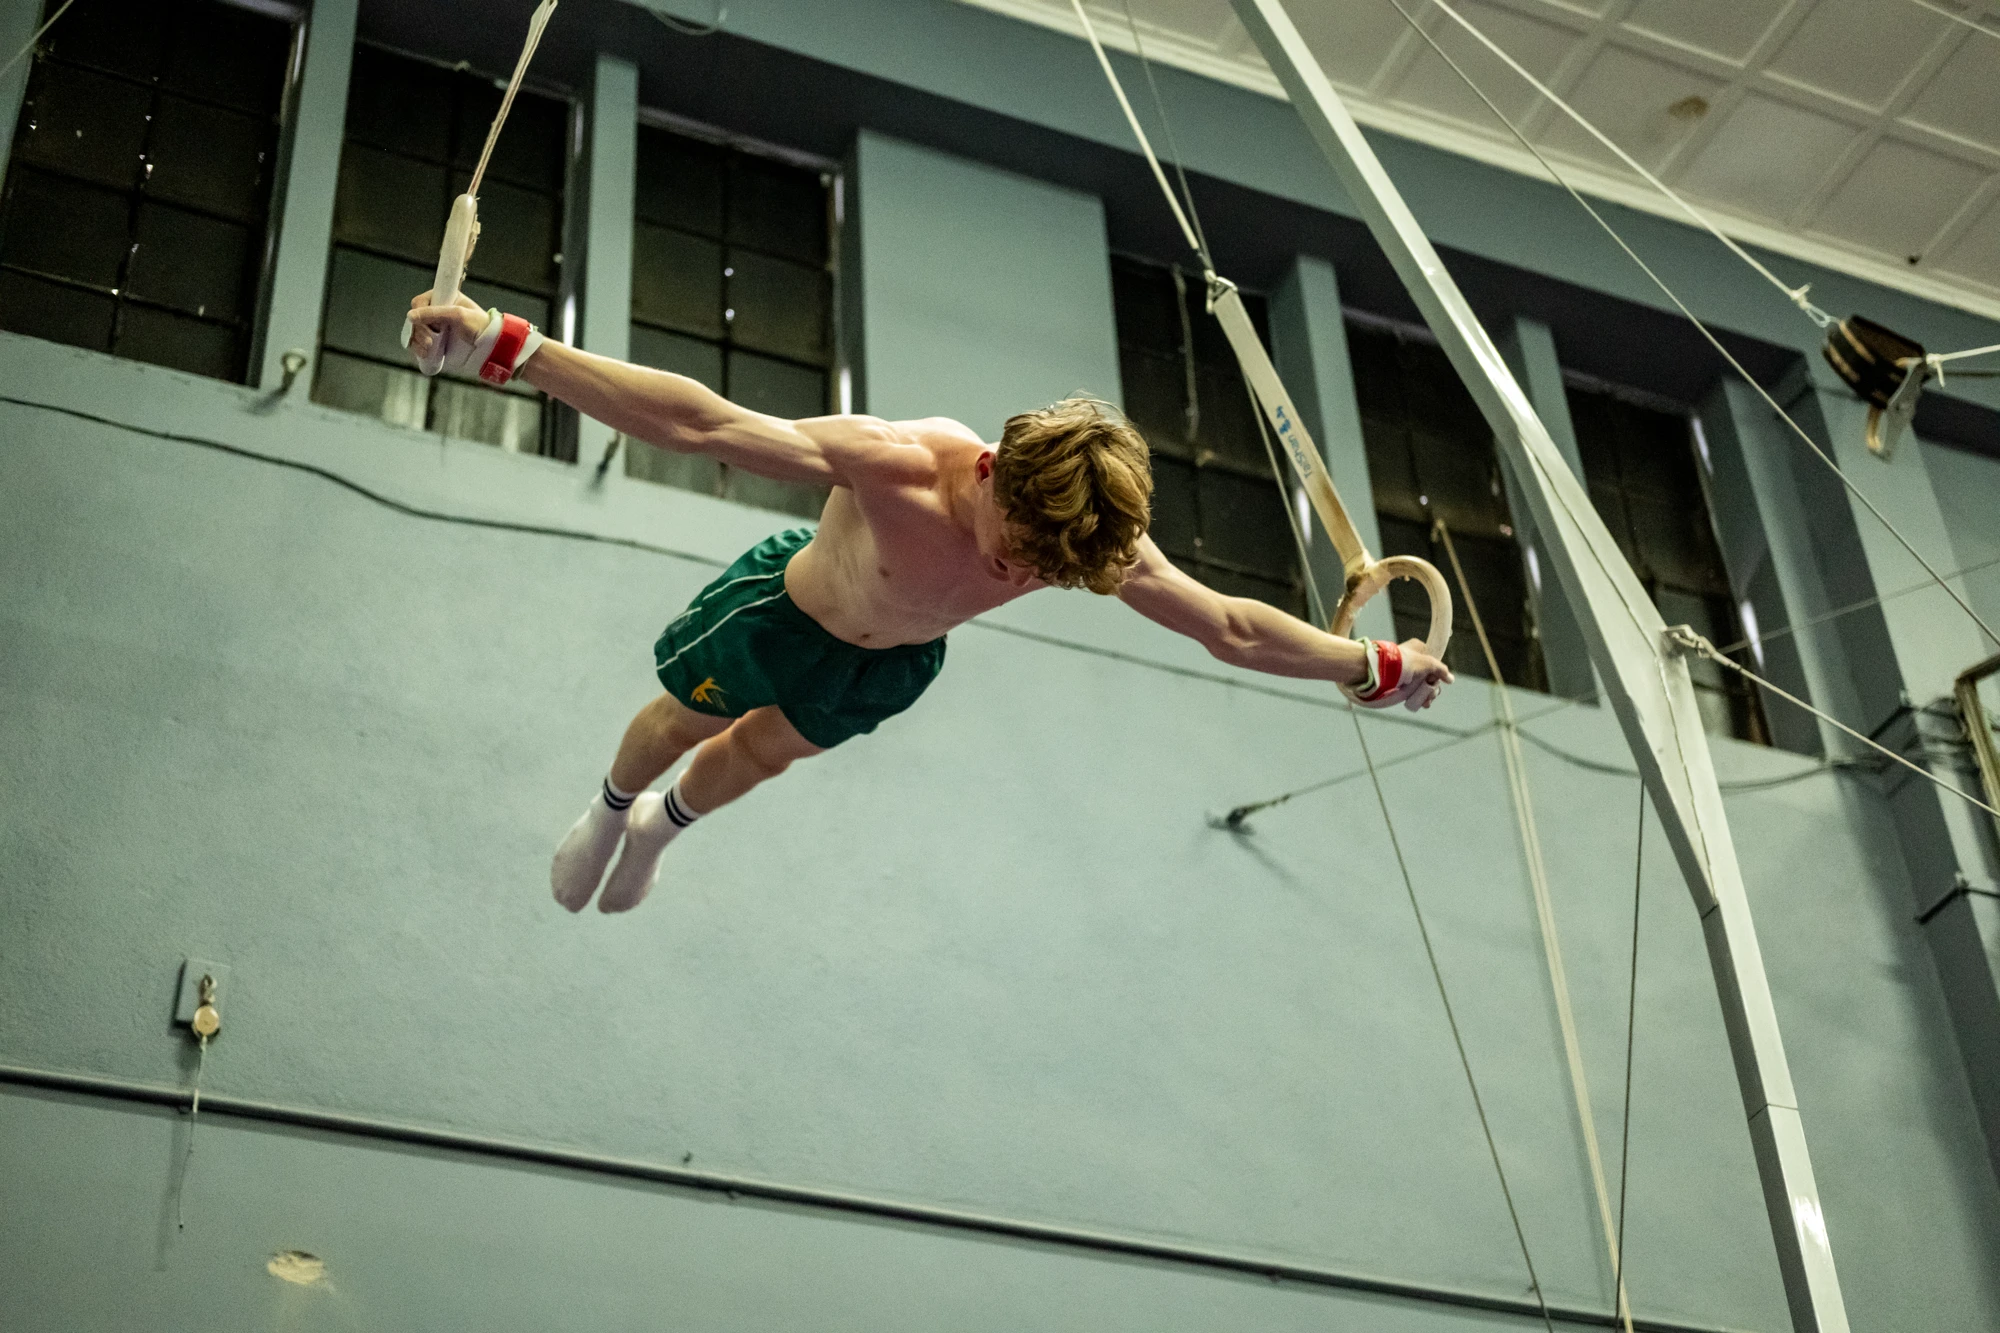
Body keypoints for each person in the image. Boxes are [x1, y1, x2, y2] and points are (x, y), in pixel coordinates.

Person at [405, 293, 1454, 915]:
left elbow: (1223, 623)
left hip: (893, 661)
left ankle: (658, 833)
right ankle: (605, 810)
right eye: (1015, 556)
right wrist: (516, 348)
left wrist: (1368, 666)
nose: (1016, 579)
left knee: (760, 758)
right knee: (689, 716)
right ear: (991, 470)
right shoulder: (894, 464)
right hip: (785, 611)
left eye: (1046, 577)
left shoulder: (1086, 537)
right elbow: (701, 424)